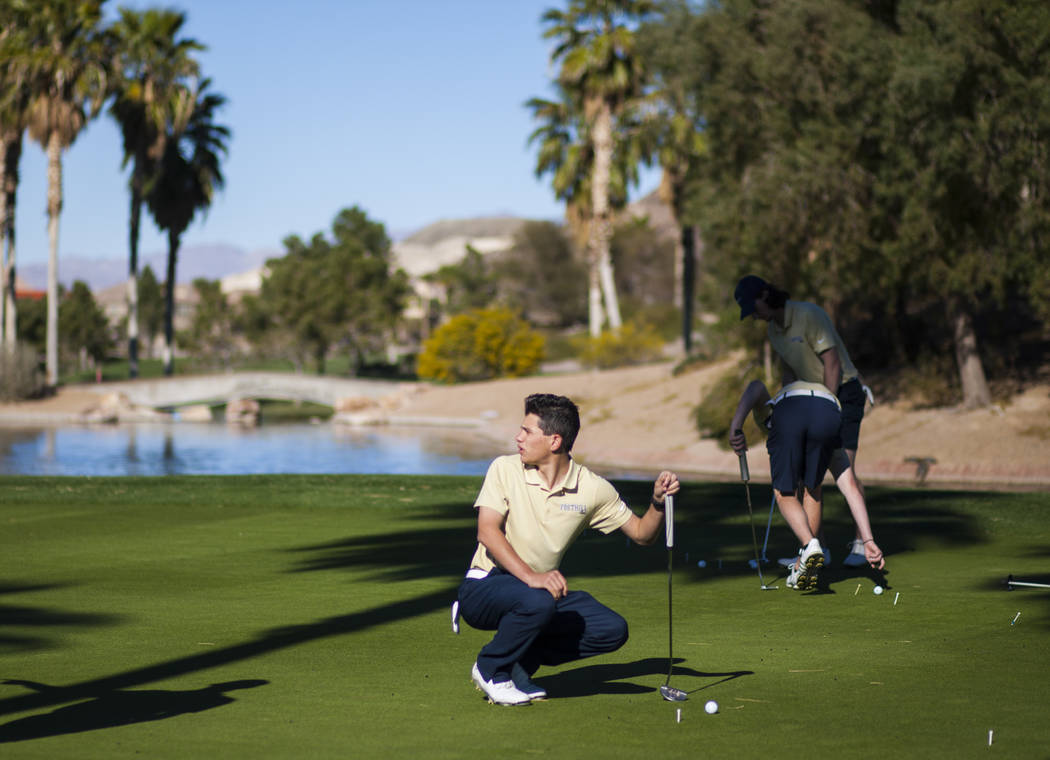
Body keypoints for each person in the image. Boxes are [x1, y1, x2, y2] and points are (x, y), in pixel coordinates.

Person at [456, 393, 680, 705]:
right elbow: (487, 531)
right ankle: (491, 668)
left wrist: (657, 503)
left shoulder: (592, 488)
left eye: (527, 431)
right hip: (485, 586)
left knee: (611, 629)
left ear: (554, 441)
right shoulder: (504, 469)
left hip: (538, 595)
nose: (517, 437)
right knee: (540, 600)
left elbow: (643, 534)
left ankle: (519, 664)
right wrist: (533, 577)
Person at [734, 275, 883, 569]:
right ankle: (817, 549)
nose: (754, 316)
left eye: (754, 307)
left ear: (765, 294)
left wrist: (831, 409)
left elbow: (833, 364)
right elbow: (790, 371)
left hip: (844, 393)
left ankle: (860, 543)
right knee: (805, 478)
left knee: (845, 469)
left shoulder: (809, 315)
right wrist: (786, 403)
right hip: (809, 402)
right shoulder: (774, 332)